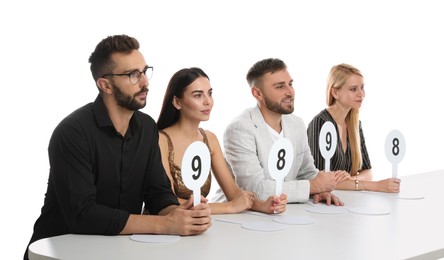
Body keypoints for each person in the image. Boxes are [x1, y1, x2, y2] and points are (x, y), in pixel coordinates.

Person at [24, 35, 211, 260]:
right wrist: (164, 224)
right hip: (59, 252)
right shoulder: (72, 132)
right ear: (105, 85)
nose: (145, 82)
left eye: (144, 71)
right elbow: (84, 215)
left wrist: (179, 214)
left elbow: (157, 192)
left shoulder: (147, 126)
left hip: (117, 251)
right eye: (133, 75)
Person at [214, 58, 344, 205]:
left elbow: (306, 173)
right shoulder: (240, 129)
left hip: (283, 213)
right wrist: (314, 186)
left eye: (290, 84)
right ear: (258, 93)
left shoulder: (297, 124)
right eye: (279, 87)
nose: (290, 92)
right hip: (240, 217)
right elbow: (254, 190)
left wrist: (322, 190)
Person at [157, 67, 287, 214]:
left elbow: (233, 193)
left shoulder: (209, 139)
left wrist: (263, 205)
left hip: (197, 225)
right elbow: (170, 203)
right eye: (198, 95)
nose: (208, 102)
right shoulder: (161, 140)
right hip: (163, 230)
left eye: (210, 94)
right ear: (177, 102)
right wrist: (229, 207)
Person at [307, 63, 401, 192]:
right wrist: (376, 186)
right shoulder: (320, 124)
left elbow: (368, 172)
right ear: (335, 92)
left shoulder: (355, 124)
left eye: (362, 88)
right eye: (353, 89)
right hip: (325, 205)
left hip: (350, 201)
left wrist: (351, 180)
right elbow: (318, 180)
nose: (361, 94)